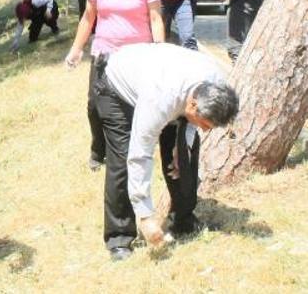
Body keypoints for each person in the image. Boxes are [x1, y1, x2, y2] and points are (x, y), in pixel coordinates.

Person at [94, 43, 238, 260]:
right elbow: (140, 154)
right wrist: (145, 214)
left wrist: (183, 147)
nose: (207, 129)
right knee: (123, 160)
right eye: (205, 124)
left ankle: (183, 219)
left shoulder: (216, 84)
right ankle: (119, 238)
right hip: (117, 88)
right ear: (191, 106)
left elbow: (191, 123)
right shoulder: (161, 97)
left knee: (186, 156)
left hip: (170, 85)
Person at [65, 0, 165, 171]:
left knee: (129, 108)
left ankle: (124, 154)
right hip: (103, 56)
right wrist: (76, 50)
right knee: (94, 107)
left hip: (136, 59)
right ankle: (98, 147)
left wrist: (161, 50)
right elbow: (88, 18)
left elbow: (155, 18)